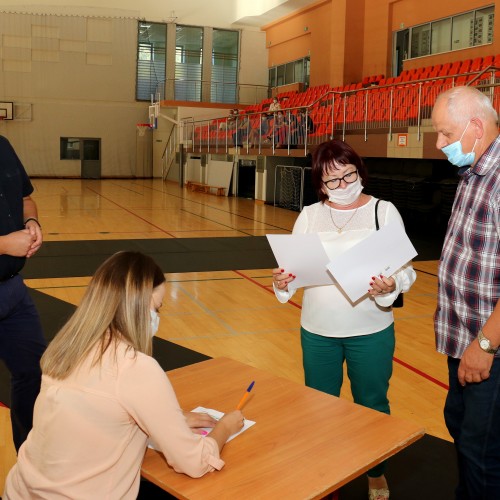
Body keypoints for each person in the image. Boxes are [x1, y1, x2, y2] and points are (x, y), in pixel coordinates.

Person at [3, 251, 244, 499]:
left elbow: (99, 413)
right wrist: (225, 427)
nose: (157, 318)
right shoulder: (136, 368)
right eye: (157, 308)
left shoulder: (65, 349)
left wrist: (175, 419)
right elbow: (194, 463)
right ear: (138, 307)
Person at [272, 139, 416, 500]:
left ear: (359, 171)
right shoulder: (309, 216)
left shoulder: (384, 211)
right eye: (332, 180)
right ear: (320, 183)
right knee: (319, 407)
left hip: (371, 329)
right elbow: (293, 269)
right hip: (318, 330)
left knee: (372, 404)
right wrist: (282, 281)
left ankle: (376, 473)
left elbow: (406, 271)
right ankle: (328, 474)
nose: (343, 185)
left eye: (348, 174)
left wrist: (392, 283)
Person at [431, 85, 500, 499]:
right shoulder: (473, 172)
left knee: (482, 451)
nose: (439, 144)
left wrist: (486, 345)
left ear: (476, 126)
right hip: (464, 340)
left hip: (488, 347)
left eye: (444, 133)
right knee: (460, 427)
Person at [0, 135, 46, 452]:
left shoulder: (3, 146)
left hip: (13, 292)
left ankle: (31, 465)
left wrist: (31, 220)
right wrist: (3, 244)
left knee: (34, 374)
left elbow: (26, 199)